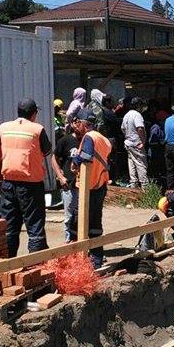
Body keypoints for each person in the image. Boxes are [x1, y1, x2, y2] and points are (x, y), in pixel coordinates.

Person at [0, 98, 52, 257]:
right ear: (34, 113)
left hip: (8, 183)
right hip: (30, 185)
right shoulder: (37, 129)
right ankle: (36, 266)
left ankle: (8, 264)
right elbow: (47, 151)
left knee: (10, 226)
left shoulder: (4, 127)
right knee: (35, 225)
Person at [71, 109, 112, 268]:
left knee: (77, 222)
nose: (76, 127)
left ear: (82, 123)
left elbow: (86, 157)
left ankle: (76, 257)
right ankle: (96, 258)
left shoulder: (88, 137)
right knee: (95, 222)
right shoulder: (102, 138)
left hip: (87, 187)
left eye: (77, 123)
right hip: (100, 184)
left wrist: (75, 159)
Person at [51, 123, 80, 243]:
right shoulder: (66, 140)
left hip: (85, 185)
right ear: (73, 123)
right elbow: (54, 158)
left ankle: (83, 245)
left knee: (83, 216)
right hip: (70, 185)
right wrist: (60, 176)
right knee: (69, 217)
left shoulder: (88, 140)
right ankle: (68, 243)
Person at [121, 97, 149, 189]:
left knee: (131, 163)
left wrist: (128, 136)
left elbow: (123, 128)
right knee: (141, 163)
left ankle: (133, 183)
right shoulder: (137, 115)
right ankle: (144, 185)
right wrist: (143, 141)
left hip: (128, 142)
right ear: (138, 106)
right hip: (136, 143)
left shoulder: (127, 115)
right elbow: (140, 128)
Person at [148, 113, 166, 189]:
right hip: (155, 152)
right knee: (156, 170)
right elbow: (152, 141)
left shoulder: (161, 127)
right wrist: (161, 142)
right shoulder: (156, 128)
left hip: (159, 152)